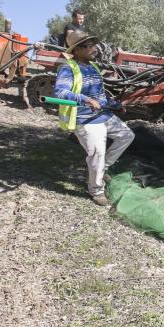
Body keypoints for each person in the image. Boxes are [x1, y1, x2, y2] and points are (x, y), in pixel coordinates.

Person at [53, 30, 134, 206]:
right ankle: (96, 190)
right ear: (76, 50)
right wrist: (85, 99)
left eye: (93, 44)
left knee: (127, 136)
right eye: (88, 46)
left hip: (103, 114)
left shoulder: (93, 67)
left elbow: (100, 95)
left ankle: (102, 168)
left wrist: (115, 105)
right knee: (97, 152)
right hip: (84, 118)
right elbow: (60, 92)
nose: (93, 48)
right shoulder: (68, 68)